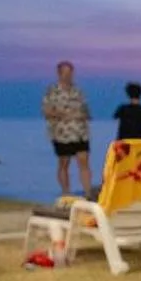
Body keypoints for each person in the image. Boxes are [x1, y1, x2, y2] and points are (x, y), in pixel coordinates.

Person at [41, 60, 93, 198]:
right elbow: (46, 111)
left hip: (80, 132)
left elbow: (86, 111)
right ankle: (66, 192)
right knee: (64, 162)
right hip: (62, 133)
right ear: (59, 73)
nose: (68, 75)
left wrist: (83, 116)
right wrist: (64, 115)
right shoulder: (52, 91)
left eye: (70, 73)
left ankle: (88, 193)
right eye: (65, 73)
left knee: (83, 160)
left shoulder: (78, 91)